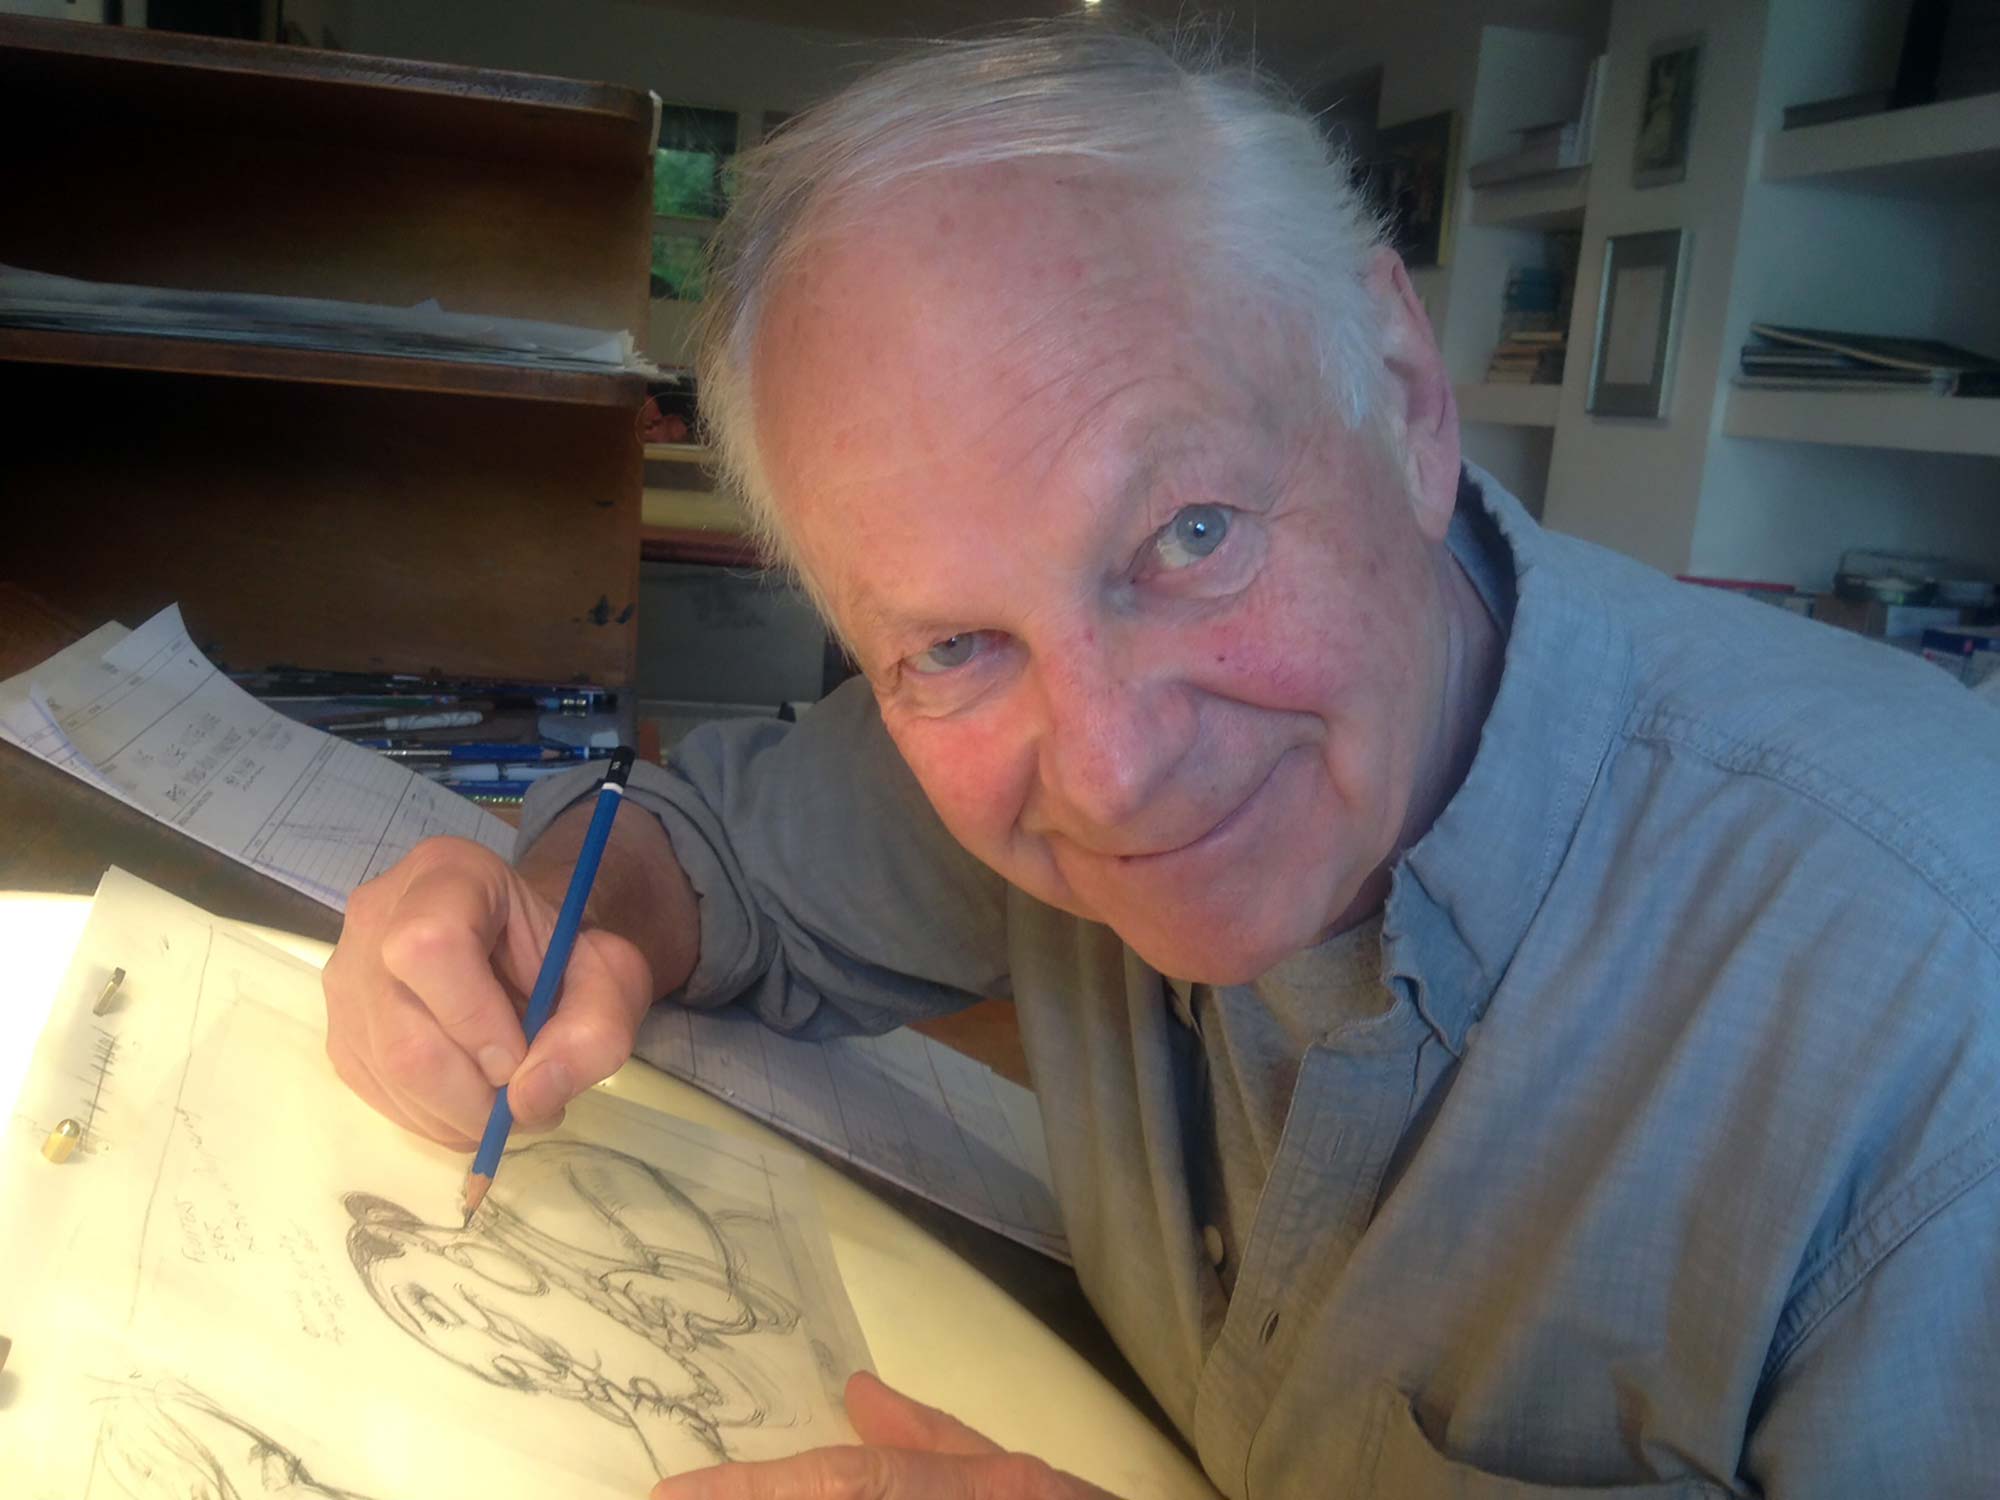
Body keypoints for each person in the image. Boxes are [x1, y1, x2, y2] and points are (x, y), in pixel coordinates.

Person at [321, 23, 2000, 1500]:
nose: (1112, 776)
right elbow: (698, 849)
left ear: (1407, 398)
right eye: (952, 645)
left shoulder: (1941, 1034)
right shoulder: (1010, 766)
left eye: (1190, 536)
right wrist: (557, 921)